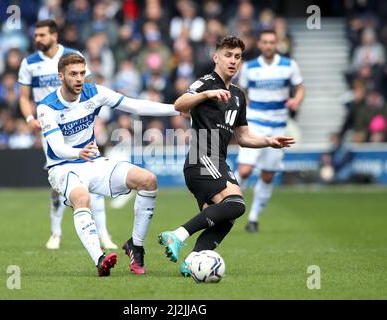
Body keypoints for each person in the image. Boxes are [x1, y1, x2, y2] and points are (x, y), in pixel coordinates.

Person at [157, 35, 295, 276]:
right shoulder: (207, 82)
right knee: (237, 204)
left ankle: (192, 261)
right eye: (228, 55)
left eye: (238, 57)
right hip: (202, 156)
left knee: (226, 217)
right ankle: (177, 235)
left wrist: (268, 141)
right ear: (216, 57)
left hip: (216, 159)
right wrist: (206, 95)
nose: (233, 61)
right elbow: (180, 103)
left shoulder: (239, 96)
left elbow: (243, 137)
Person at [37, 52, 180, 276]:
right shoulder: (47, 107)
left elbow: (136, 106)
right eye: (73, 74)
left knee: (148, 180)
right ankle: (100, 259)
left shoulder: (95, 92)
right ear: (60, 76)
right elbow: (56, 147)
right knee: (82, 199)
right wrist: (78, 152)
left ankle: (136, 246)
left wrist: (176, 108)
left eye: (82, 73)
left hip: (93, 161)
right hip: (63, 167)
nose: (78, 79)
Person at [18, 19, 118, 250]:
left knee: (94, 175)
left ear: (54, 35)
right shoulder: (29, 63)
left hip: (80, 125)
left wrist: (97, 120)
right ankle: (56, 233)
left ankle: (104, 235)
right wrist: (30, 119)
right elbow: (24, 97)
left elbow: (91, 90)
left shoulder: (73, 56)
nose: (37, 39)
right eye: (36, 35)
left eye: (42, 35)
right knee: (58, 184)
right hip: (51, 127)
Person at [236, 29, 305, 233]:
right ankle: (226, 209)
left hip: (278, 126)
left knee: (267, 175)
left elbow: (300, 88)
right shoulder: (249, 67)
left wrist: (297, 100)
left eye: (272, 42)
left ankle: (254, 218)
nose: (268, 45)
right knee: (245, 170)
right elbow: (241, 92)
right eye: (265, 42)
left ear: (277, 44)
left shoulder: (288, 65)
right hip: (255, 123)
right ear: (259, 44)